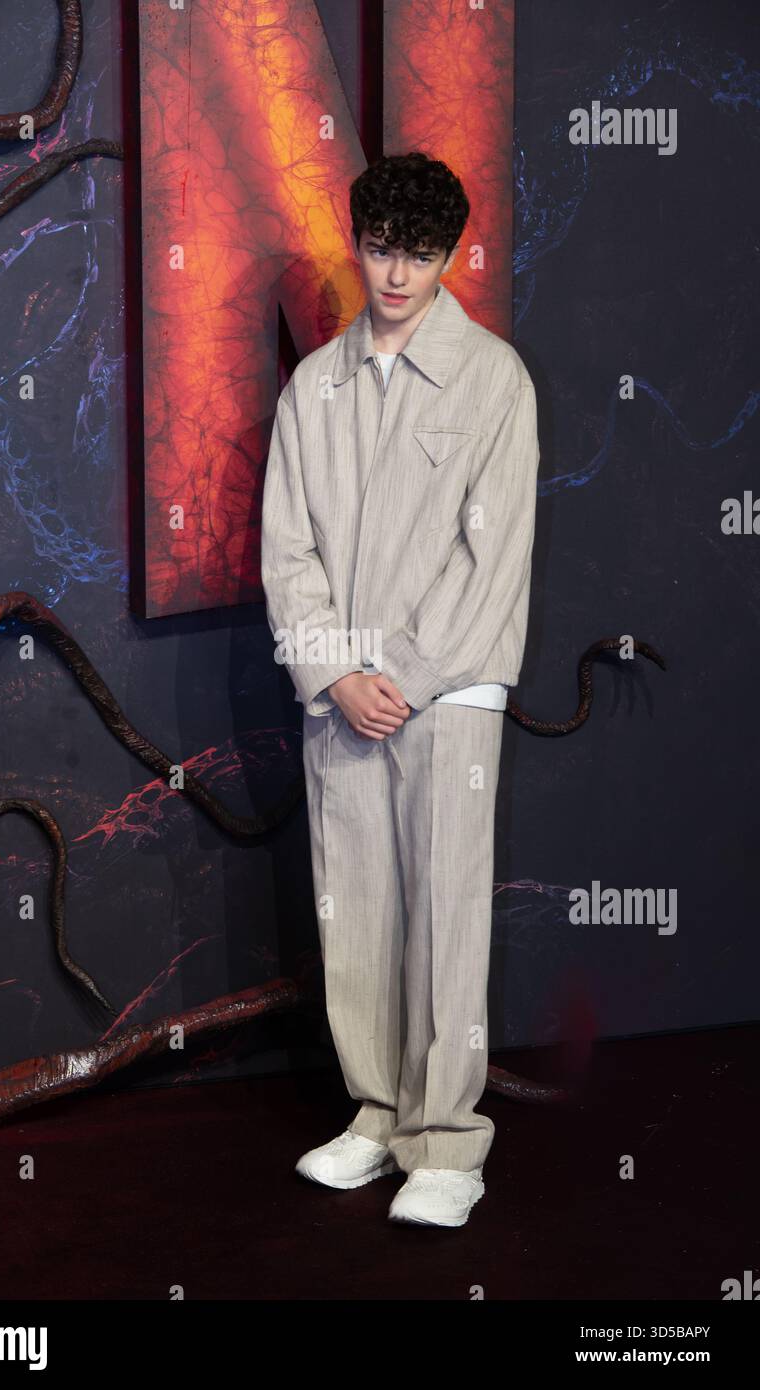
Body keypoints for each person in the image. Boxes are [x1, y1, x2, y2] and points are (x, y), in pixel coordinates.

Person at [260, 151, 541, 1228]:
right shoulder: (312, 388)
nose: (396, 275)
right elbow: (288, 551)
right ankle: (377, 1116)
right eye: (381, 249)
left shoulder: (495, 380)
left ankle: (449, 1142)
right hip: (342, 691)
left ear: (451, 254)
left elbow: (492, 558)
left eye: (420, 255)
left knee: (447, 914)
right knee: (358, 907)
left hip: (451, 690)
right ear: (358, 241)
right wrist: (336, 672)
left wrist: (405, 678)